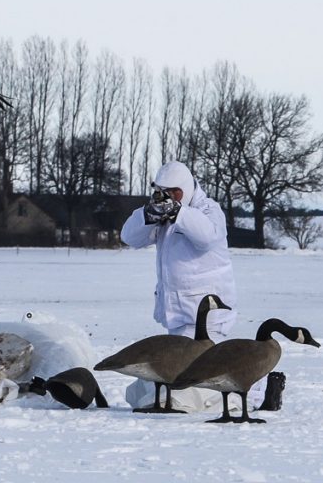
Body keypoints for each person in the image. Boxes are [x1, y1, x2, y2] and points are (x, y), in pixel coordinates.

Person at [120, 161, 282, 412]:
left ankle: (255, 392)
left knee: (185, 385)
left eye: (174, 192)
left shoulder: (207, 210)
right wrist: (148, 215)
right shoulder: (163, 215)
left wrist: (178, 212)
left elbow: (206, 237)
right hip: (176, 316)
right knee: (147, 386)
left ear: (184, 188)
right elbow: (128, 237)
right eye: (163, 192)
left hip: (206, 320)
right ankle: (243, 387)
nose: (168, 198)